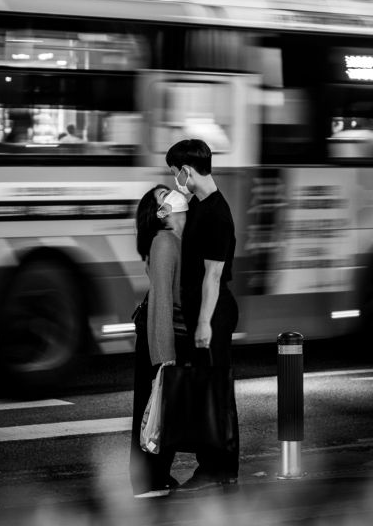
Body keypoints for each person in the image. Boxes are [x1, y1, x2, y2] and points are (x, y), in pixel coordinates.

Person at [165, 138, 239, 491]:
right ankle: (211, 466)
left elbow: (213, 274)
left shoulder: (217, 214)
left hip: (215, 312)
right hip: (203, 309)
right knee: (206, 391)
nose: (175, 179)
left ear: (186, 171)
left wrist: (204, 323)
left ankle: (221, 468)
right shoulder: (198, 205)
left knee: (217, 393)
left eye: (174, 173)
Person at [130, 184, 189, 498]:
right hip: (159, 335)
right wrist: (165, 357)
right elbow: (163, 301)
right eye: (163, 196)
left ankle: (155, 477)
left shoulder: (175, 238)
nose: (172, 195)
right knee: (152, 408)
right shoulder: (164, 241)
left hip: (166, 333)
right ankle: (148, 480)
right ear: (158, 213)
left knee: (160, 410)